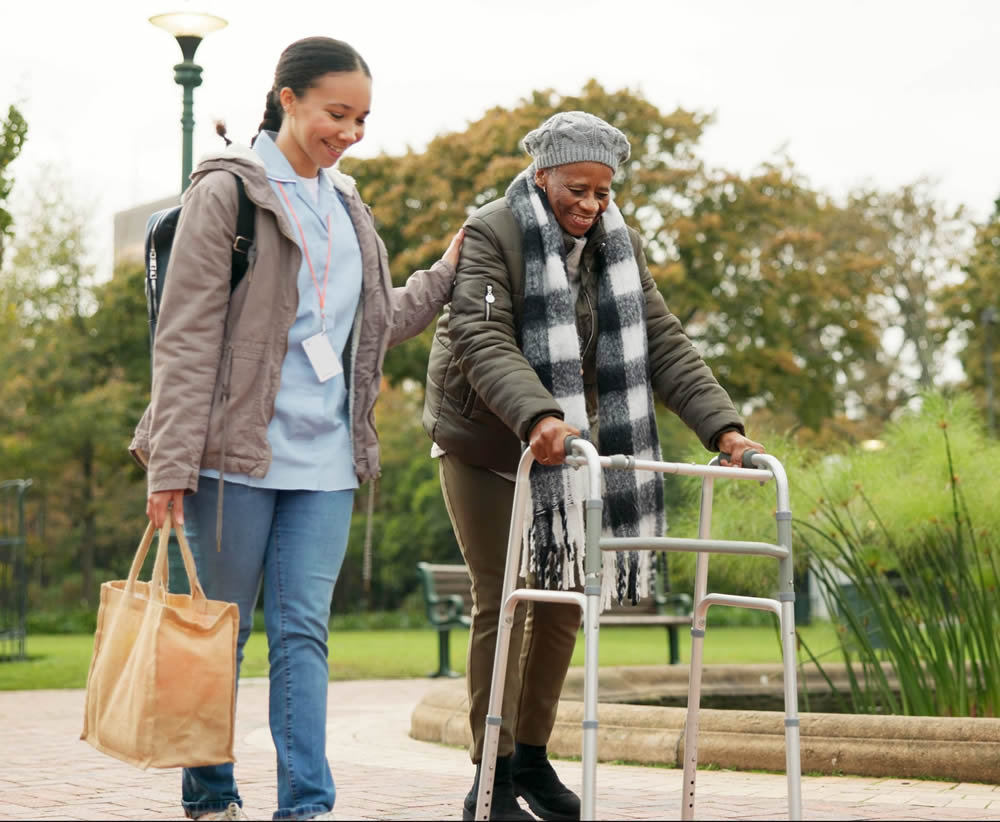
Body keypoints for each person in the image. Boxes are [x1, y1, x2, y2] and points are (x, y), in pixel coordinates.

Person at [130, 36, 463, 822]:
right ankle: (210, 793)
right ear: (287, 99)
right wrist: (169, 466)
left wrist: (447, 273)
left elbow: (378, 321)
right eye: (335, 114)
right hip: (230, 458)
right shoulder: (227, 194)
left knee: (304, 637)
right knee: (218, 635)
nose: (349, 133)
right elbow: (184, 336)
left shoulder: (349, 207)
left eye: (362, 119)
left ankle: (306, 805)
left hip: (325, 462)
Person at [422, 111, 764, 821]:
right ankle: (489, 777)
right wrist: (538, 414)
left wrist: (725, 430)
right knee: (505, 597)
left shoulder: (616, 245)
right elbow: (481, 337)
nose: (591, 204)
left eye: (604, 193)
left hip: (569, 447)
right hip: (486, 444)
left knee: (562, 605)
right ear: (542, 175)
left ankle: (532, 759)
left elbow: (661, 343)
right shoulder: (494, 231)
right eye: (577, 188)